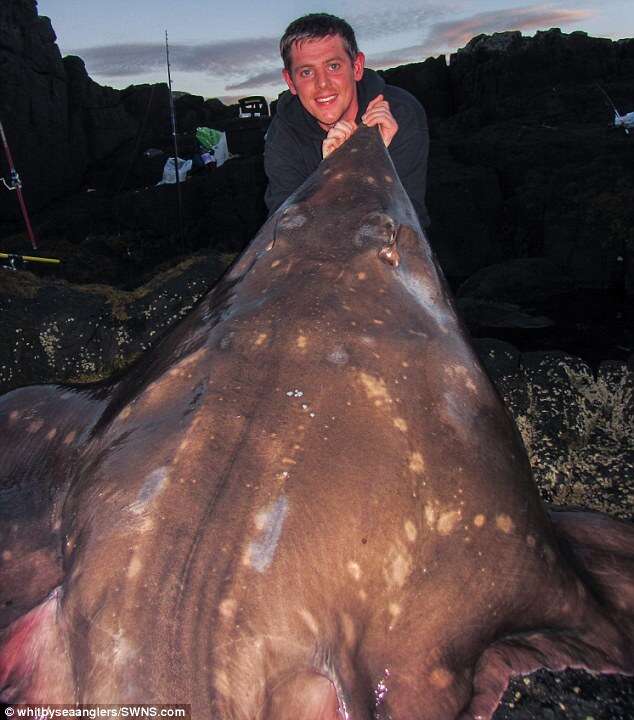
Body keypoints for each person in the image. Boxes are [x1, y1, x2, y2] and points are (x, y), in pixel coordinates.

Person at [264, 13, 430, 228]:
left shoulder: (399, 113)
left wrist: (374, 158)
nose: (322, 84)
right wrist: (332, 174)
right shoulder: (282, 135)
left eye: (333, 66)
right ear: (291, 82)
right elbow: (283, 228)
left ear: (357, 67)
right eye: (306, 72)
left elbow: (405, 224)